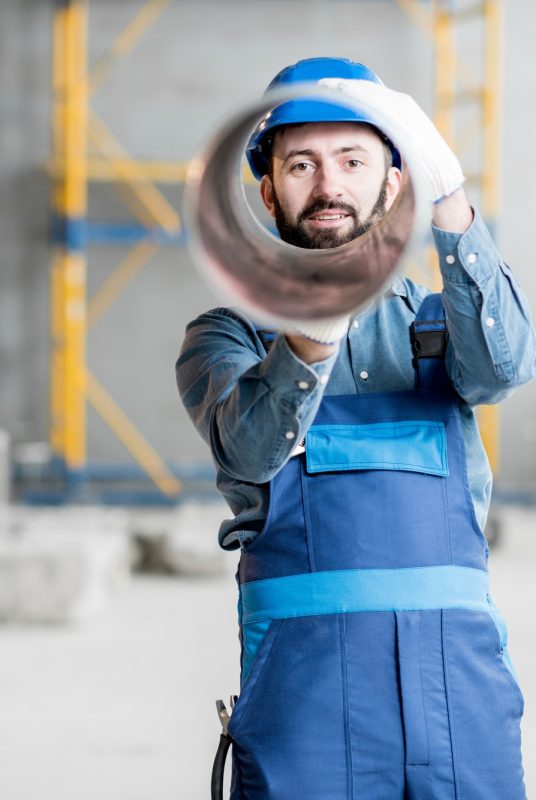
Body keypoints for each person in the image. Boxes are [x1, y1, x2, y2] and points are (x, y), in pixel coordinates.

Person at [176, 57, 536, 799]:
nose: (329, 184)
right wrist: (313, 333)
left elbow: (504, 368)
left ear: (395, 182)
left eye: (352, 159)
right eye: (301, 163)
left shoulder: (440, 322)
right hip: (306, 694)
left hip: (458, 687)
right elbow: (247, 448)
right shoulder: (226, 337)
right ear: (268, 190)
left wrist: (455, 206)